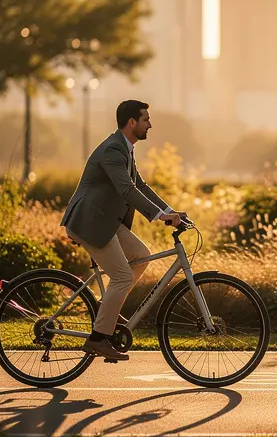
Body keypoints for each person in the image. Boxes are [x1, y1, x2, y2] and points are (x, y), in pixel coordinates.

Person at [60, 99, 186, 361]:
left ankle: (109, 307)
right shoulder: (113, 150)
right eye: (146, 119)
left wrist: (171, 211)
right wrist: (161, 216)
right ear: (132, 123)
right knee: (122, 277)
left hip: (105, 221)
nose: (150, 124)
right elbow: (126, 190)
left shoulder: (125, 149)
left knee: (141, 255)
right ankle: (98, 339)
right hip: (90, 223)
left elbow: (140, 185)